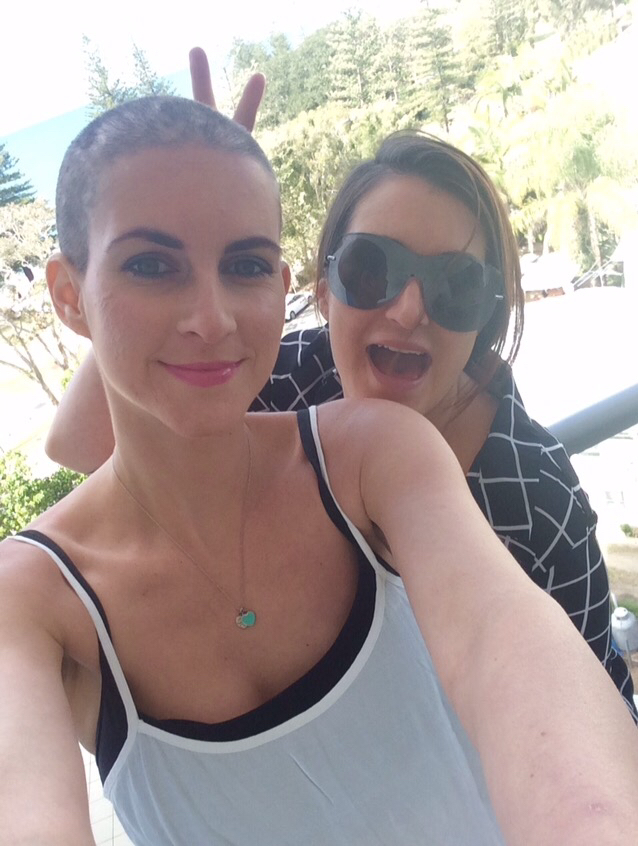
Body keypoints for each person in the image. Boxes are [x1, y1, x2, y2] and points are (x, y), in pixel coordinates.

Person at [2, 95, 638, 846]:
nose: (211, 319)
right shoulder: (32, 603)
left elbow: (507, 647)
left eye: (243, 265)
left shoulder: (410, 458)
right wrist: (205, 181)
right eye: (150, 264)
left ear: (278, 287)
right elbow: (85, 441)